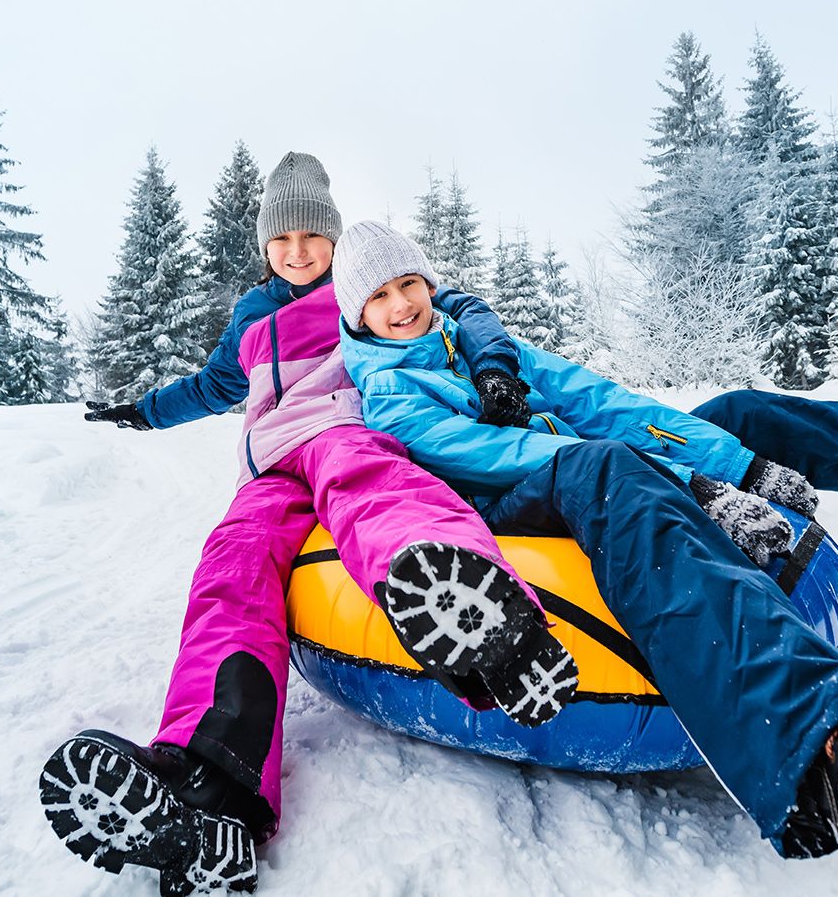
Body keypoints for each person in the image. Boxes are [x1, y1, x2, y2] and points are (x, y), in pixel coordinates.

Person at [333, 220, 838, 896]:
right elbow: (506, 458)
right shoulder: (392, 394)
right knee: (606, 467)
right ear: (356, 316)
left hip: (587, 466)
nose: (401, 304)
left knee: (740, 413)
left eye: (409, 282)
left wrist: (735, 461)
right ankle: (836, 751)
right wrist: (694, 486)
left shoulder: (482, 347)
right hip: (514, 510)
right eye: (379, 296)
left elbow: (602, 403)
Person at [37, 156, 577, 896]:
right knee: (230, 568)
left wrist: (491, 369)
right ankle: (210, 787)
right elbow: (212, 386)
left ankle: (489, 622)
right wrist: (141, 410)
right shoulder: (251, 317)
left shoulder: (360, 284)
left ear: (332, 236)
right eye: (282, 237)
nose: (298, 251)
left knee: (375, 494)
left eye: (312, 235)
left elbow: (464, 309)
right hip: (269, 468)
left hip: (344, 434)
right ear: (264, 245)